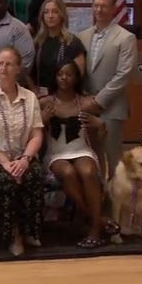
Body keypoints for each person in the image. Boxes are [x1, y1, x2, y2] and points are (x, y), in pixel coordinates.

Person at [0, 46, 45, 256]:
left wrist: (25, 160)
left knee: (34, 175)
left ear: (18, 68)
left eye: (9, 64)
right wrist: (5, 162)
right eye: (0, 63)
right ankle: (12, 234)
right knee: (6, 180)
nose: (3, 68)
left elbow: (37, 135)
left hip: (23, 156)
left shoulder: (30, 98)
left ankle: (30, 230)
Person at [41, 61, 113, 248]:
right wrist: (43, 120)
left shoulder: (86, 103)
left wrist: (100, 126)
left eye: (69, 74)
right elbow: (33, 133)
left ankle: (95, 228)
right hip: (56, 153)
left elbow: (100, 137)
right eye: (60, 74)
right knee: (67, 172)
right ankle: (97, 220)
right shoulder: (45, 103)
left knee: (88, 172)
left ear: (76, 78)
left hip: (82, 149)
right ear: (55, 77)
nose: (64, 78)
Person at [77, 0, 137, 179]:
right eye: (96, 5)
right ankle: (98, 204)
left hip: (112, 108)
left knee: (114, 161)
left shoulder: (126, 38)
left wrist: (98, 101)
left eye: (104, 5)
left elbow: (123, 75)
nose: (99, 9)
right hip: (86, 106)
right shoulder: (83, 36)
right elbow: (81, 72)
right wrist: (85, 99)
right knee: (93, 159)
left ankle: (116, 206)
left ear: (113, 8)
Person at [30, 0, 86, 97]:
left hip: (65, 98)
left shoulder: (73, 43)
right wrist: (33, 90)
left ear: (62, 15)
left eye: (55, 12)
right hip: (39, 96)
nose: (50, 16)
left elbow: (79, 75)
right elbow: (27, 71)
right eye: (46, 12)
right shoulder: (36, 42)